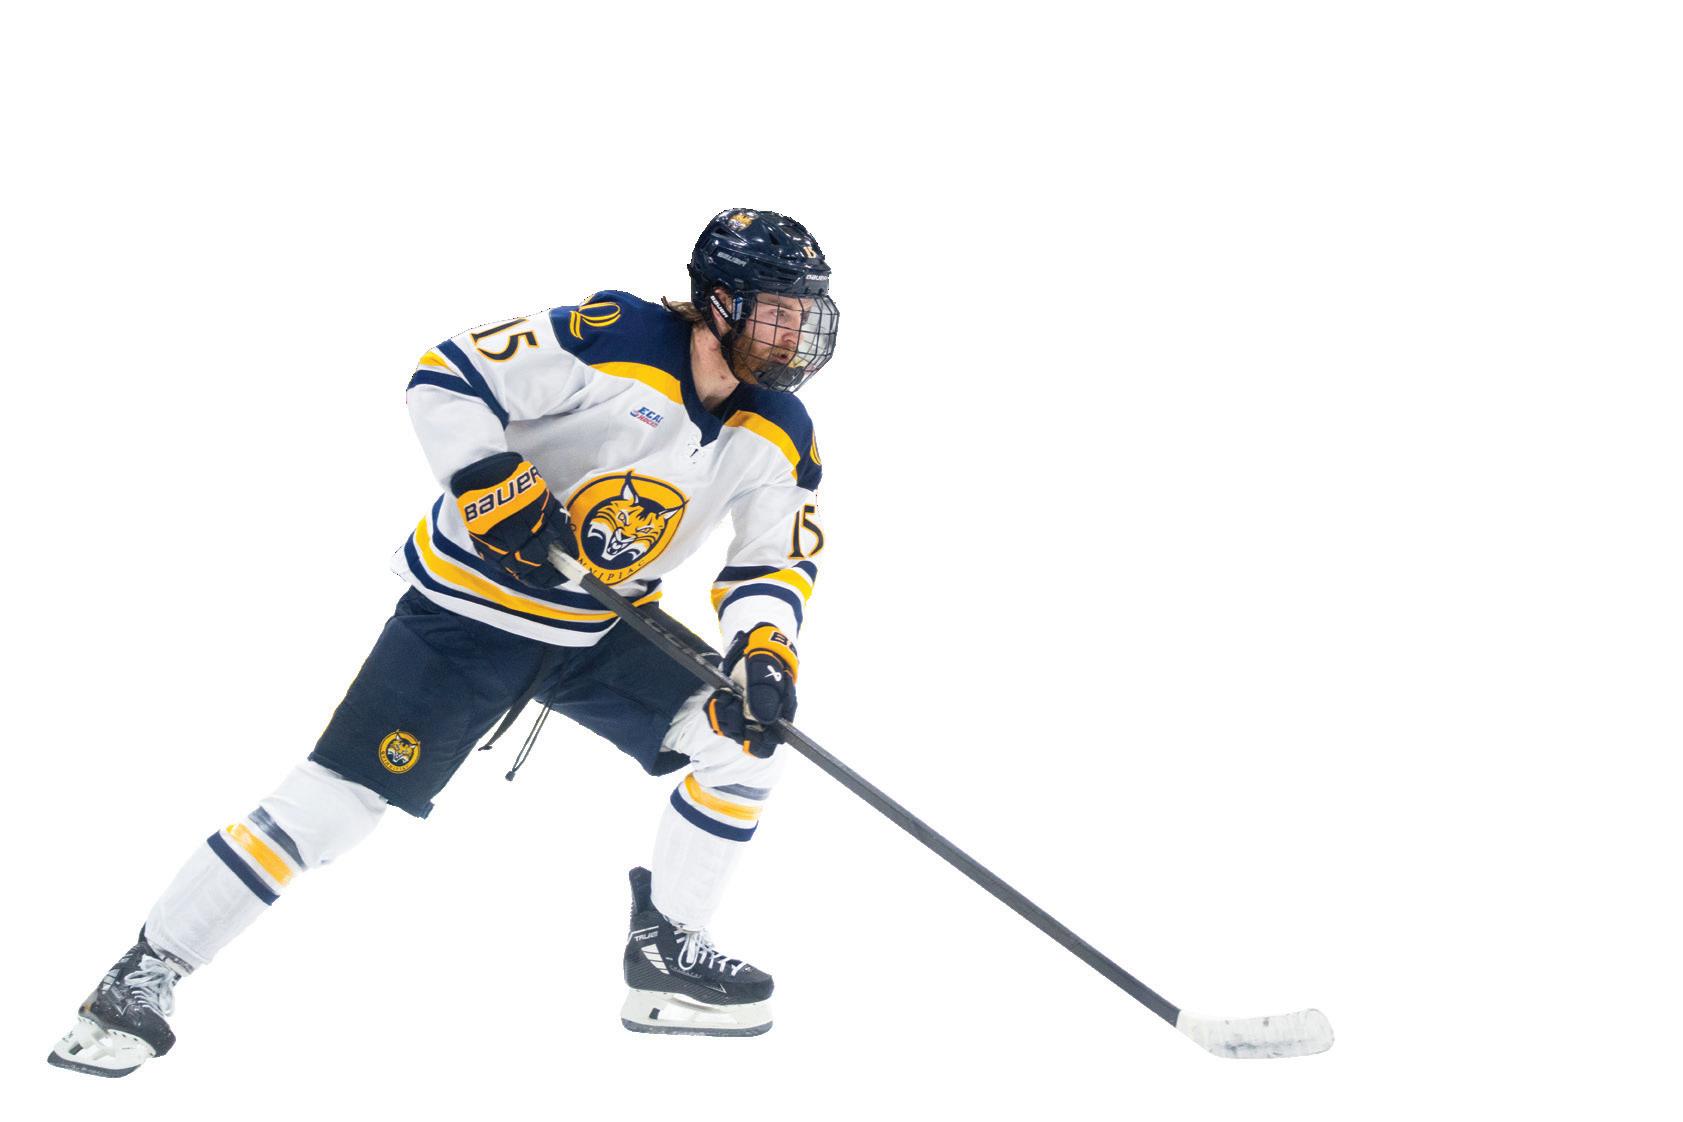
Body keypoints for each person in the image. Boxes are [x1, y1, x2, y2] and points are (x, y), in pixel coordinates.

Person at [48, 208, 838, 1076]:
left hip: (598, 626)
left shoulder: (782, 429)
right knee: (335, 807)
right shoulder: (614, 337)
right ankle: (145, 971)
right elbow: (449, 374)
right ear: (719, 302)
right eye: (777, 310)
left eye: (803, 313)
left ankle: (668, 952)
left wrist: (764, 648)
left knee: (744, 735)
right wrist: (493, 483)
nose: (795, 333)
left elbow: (772, 559)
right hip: (468, 619)